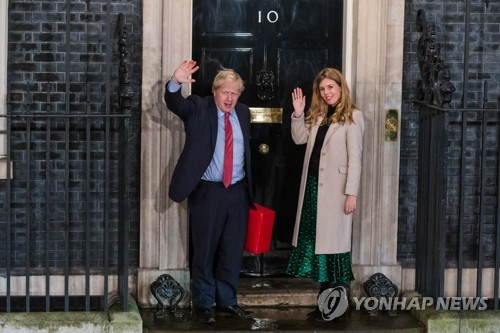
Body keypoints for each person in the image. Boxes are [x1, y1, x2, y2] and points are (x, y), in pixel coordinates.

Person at [164, 60, 254, 324]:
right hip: (207, 191)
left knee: (232, 249)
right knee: (204, 249)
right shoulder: (198, 108)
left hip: (237, 191)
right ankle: (204, 304)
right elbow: (174, 103)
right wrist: (175, 82)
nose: (229, 98)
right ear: (215, 91)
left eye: (234, 93)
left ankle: (227, 301)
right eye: (225, 92)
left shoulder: (244, 113)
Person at [285, 67, 365, 321]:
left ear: (341, 88)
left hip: (337, 193)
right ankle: (324, 304)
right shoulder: (318, 116)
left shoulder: (353, 117)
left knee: (334, 250)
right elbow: (298, 139)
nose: (327, 93)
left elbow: (356, 159)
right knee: (319, 248)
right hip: (312, 188)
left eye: (331, 87)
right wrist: (298, 113)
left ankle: (335, 308)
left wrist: (351, 193)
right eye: (322, 89)